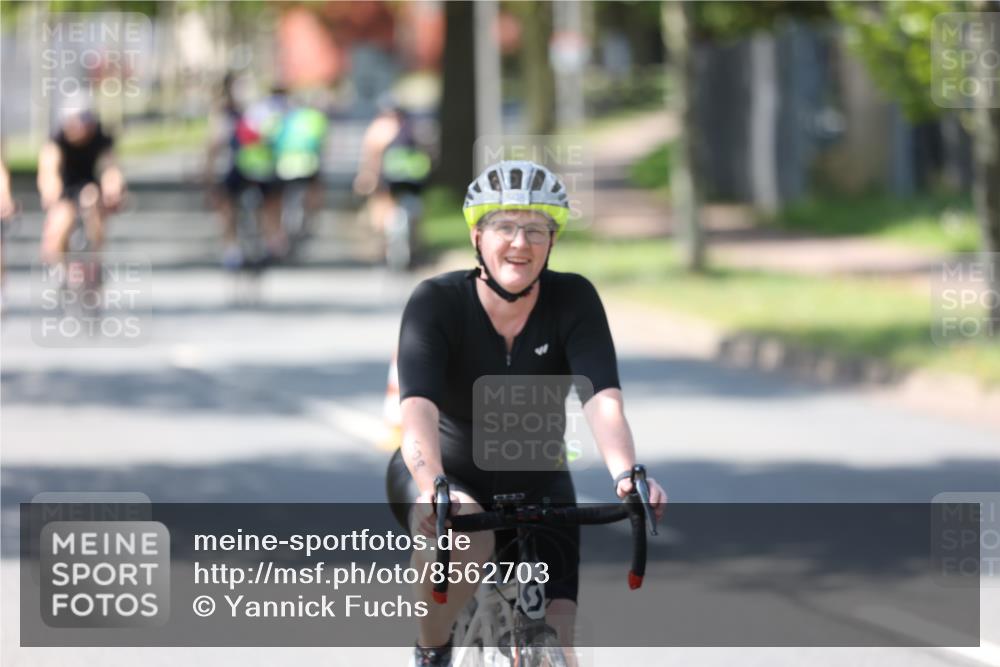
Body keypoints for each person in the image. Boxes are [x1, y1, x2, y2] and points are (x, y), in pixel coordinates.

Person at [386, 160, 667, 667]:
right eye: (505, 227)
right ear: (477, 235)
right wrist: (433, 484)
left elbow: (602, 398)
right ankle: (431, 650)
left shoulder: (574, 298)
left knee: (557, 639)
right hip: (444, 473)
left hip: (539, 481)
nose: (521, 242)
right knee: (464, 538)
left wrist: (626, 474)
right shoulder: (436, 302)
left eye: (536, 229)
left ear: (552, 241)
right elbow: (418, 409)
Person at [37, 104, 125, 266]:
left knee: (91, 200)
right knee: (59, 223)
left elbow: (110, 167)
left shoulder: (100, 138)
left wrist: (113, 186)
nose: (80, 128)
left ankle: (95, 258)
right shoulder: (57, 140)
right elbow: (48, 170)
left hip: (89, 186)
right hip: (65, 188)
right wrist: (50, 191)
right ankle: (58, 267)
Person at [353, 100, 431, 249]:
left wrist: (367, 175)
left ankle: (386, 242)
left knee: (383, 207)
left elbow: (371, 154)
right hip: (412, 175)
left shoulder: (379, 127)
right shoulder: (413, 127)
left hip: (388, 176)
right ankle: (411, 241)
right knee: (410, 208)